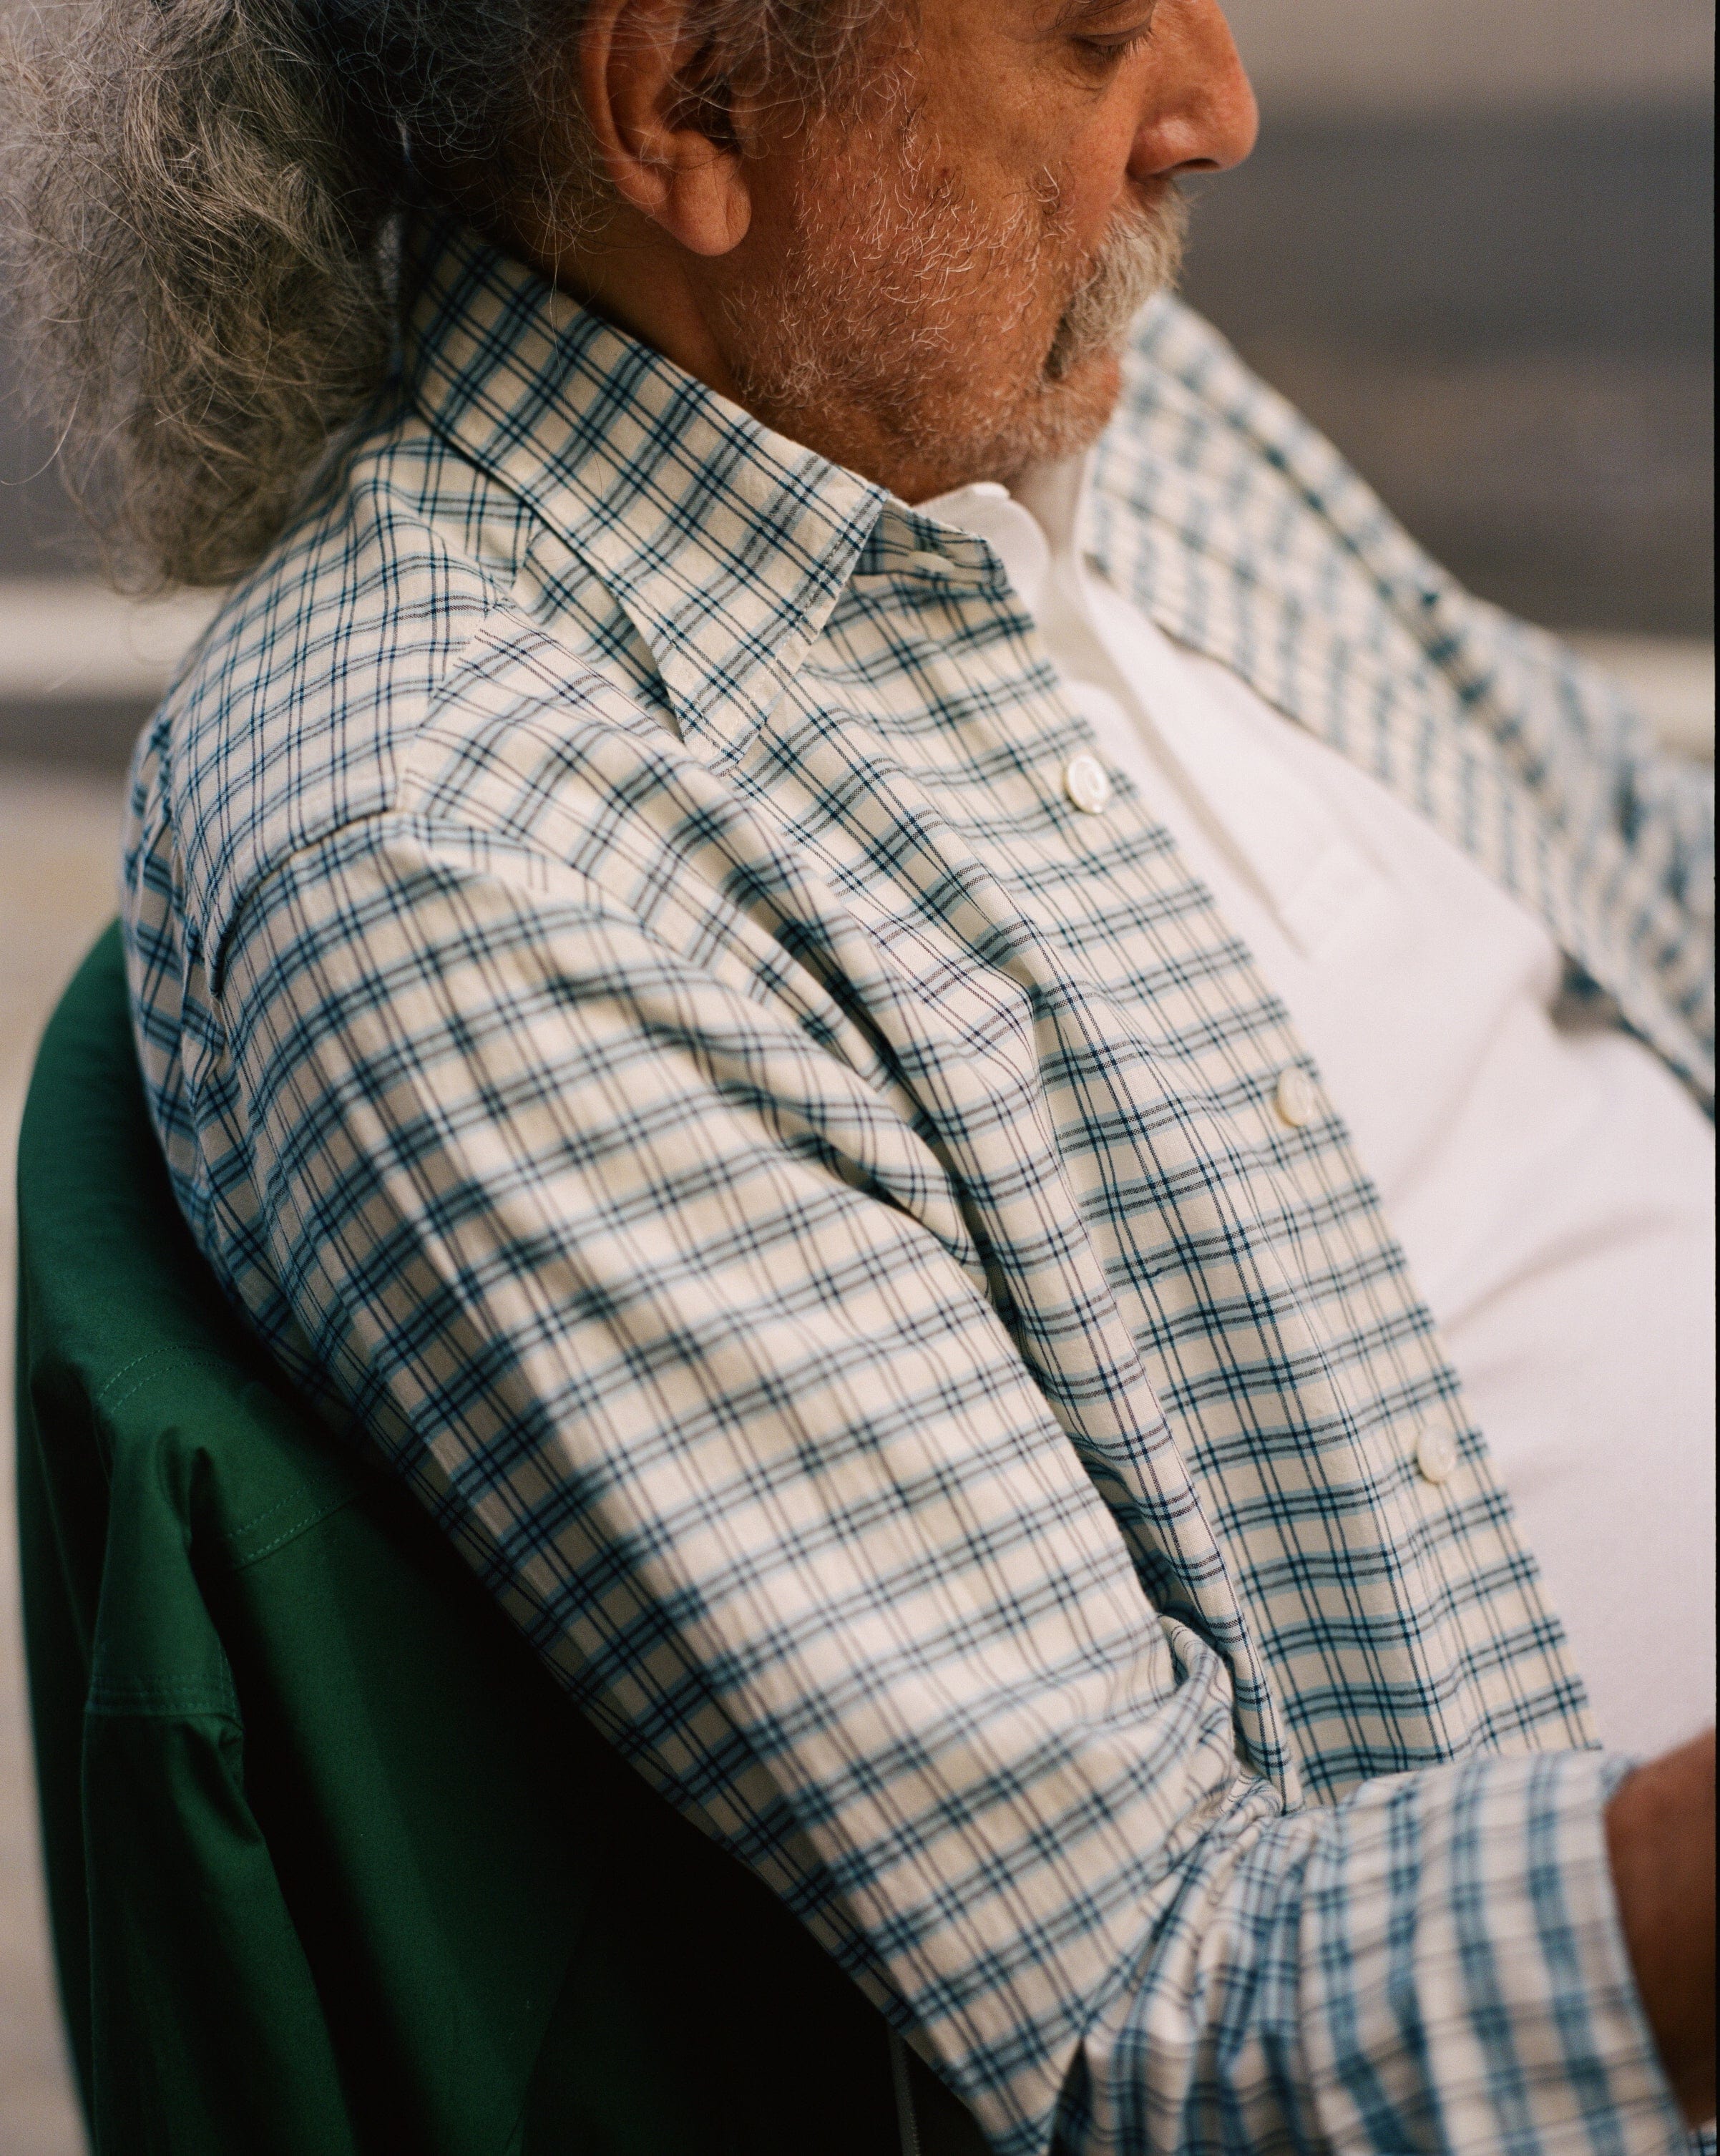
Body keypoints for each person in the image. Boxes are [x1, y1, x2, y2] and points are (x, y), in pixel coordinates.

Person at [6, 0, 1714, 2147]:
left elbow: (1639, 860)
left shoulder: (1032, 365)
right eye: (1094, 36)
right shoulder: (463, 848)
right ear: (692, 99)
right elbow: (1151, 2017)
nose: (1217, 108)